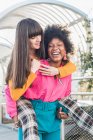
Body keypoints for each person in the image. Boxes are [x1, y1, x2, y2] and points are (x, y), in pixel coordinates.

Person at [5, 23, 75, 140]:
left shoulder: (57, 65)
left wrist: (58, 71)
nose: (38, 39)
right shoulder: (27, 63)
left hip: (53, 119)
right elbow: (10, 91)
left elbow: (70, 72)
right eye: (33, 37)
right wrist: (14, 114)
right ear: (24, 39)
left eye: (39, 35)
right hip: (31, 117)